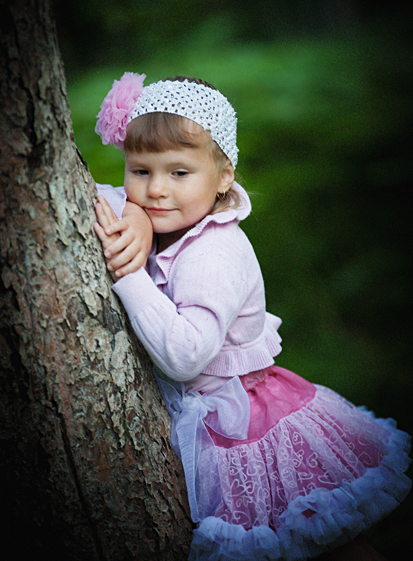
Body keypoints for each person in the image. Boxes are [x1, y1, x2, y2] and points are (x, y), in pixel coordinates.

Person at [93, 72, 411, 561]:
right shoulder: (164, 215)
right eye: (140, 171)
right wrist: (132, 215)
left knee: (322, 542)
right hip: (206, 412)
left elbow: (184, 355)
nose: (155, 189)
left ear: (224, 177)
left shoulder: (215, 254)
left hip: (244, 422)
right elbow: (92, 194)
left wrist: (129, 274)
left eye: (179, 173)